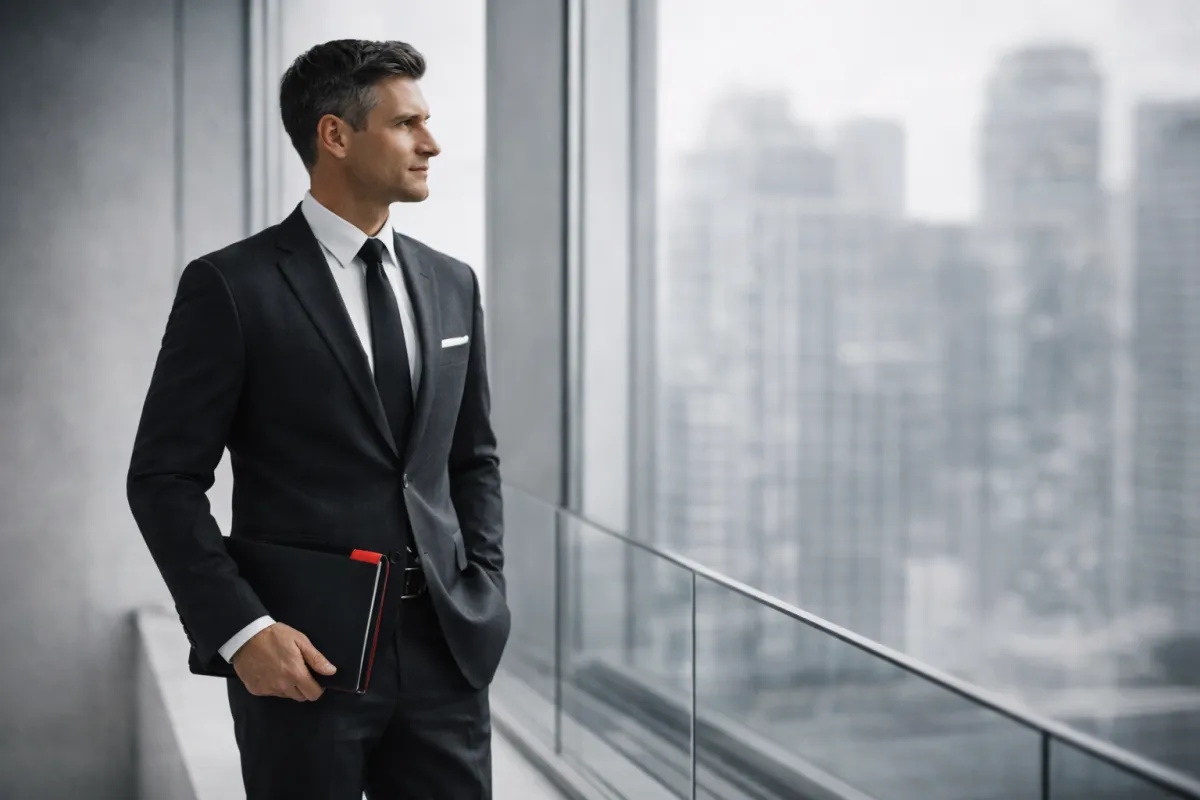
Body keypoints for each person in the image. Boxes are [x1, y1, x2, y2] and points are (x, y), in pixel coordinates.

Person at [126, 38, 509, 799]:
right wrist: (243, 632)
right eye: (406, 124)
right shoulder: (231, 287)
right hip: (304, 661)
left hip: (445, 653)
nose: (430, 143)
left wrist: (484, 586)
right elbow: (163, 479)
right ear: (335, 135)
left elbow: (472, 460)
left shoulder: (451, 283)